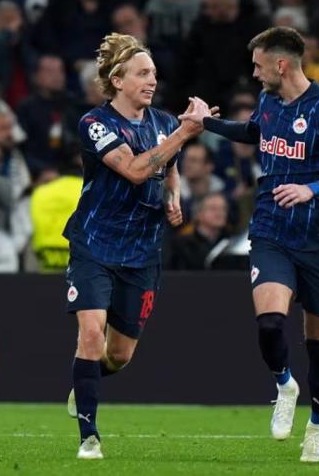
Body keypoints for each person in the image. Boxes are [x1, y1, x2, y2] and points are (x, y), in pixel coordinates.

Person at [180, 27, 319, 463]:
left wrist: (311, 189)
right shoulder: (268, 101)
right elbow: (252, 132)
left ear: (281, 64)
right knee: (269, 323)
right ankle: (284, 384)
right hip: (271, 232)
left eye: (259, 65)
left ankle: (317, 426)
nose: (254, 73)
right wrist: (205, 123)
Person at [63, 33, 203, 460]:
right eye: (142, 74)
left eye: (154, 74)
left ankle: (85, 381)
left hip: (141, 253)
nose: (152, 81)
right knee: (91, 334)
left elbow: (168, 167)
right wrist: (185, 133)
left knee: (119, 356)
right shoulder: (96, 123)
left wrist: (174, 194)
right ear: (118, 80)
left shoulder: (163, 122)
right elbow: (136, 169)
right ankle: (89, 437)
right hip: (94, 244)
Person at [165, 192, 229, 270]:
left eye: (223, 209)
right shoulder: (180, 245)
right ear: (198, 213)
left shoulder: (230, 242)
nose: (220, 213)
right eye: (213, 208)